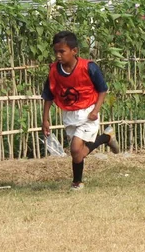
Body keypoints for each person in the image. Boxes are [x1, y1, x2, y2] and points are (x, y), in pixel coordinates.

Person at [41, 31, 119, 191]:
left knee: (75, 149)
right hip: (69, 114)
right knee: (78, 152)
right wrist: (45, 119)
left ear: (74, 51)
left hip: (88, 111)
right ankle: (106, 137)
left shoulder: (89, 67)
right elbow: (48, 95)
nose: (58, 56)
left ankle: (77, 183)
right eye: (55, 52)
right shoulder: (54, 71)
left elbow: (102, 89)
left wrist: (96, 110)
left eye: (62, 51)